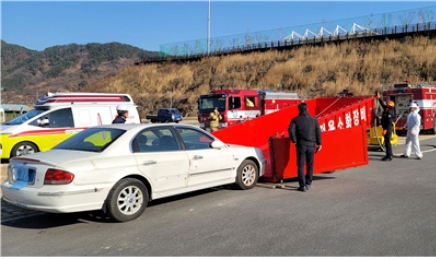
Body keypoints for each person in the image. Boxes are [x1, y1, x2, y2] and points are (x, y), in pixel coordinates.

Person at [288, 102, 322, 192]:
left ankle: (302, 185)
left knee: (300, 165)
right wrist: (319, 143)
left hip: (301, 145)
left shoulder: (295, 120)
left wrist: (294, 141)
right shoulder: (314, 120)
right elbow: (318, 131)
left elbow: (291, 130)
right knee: (310, 165)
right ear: (307, 109)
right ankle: (308, 183)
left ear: (299, 110)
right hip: (311, 145)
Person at [376, 91, 395, 161]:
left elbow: (389, 122)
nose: (386, 106)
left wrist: (385, 130)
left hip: (388, 129)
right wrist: (379, 98)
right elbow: (383, 105)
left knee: (387, 142)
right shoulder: (387, 109)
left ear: (390, 106)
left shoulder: (390, 112)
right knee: (386, 143)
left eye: (387, 105)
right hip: (386, 128)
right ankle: (388, 154)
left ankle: (389, 156)